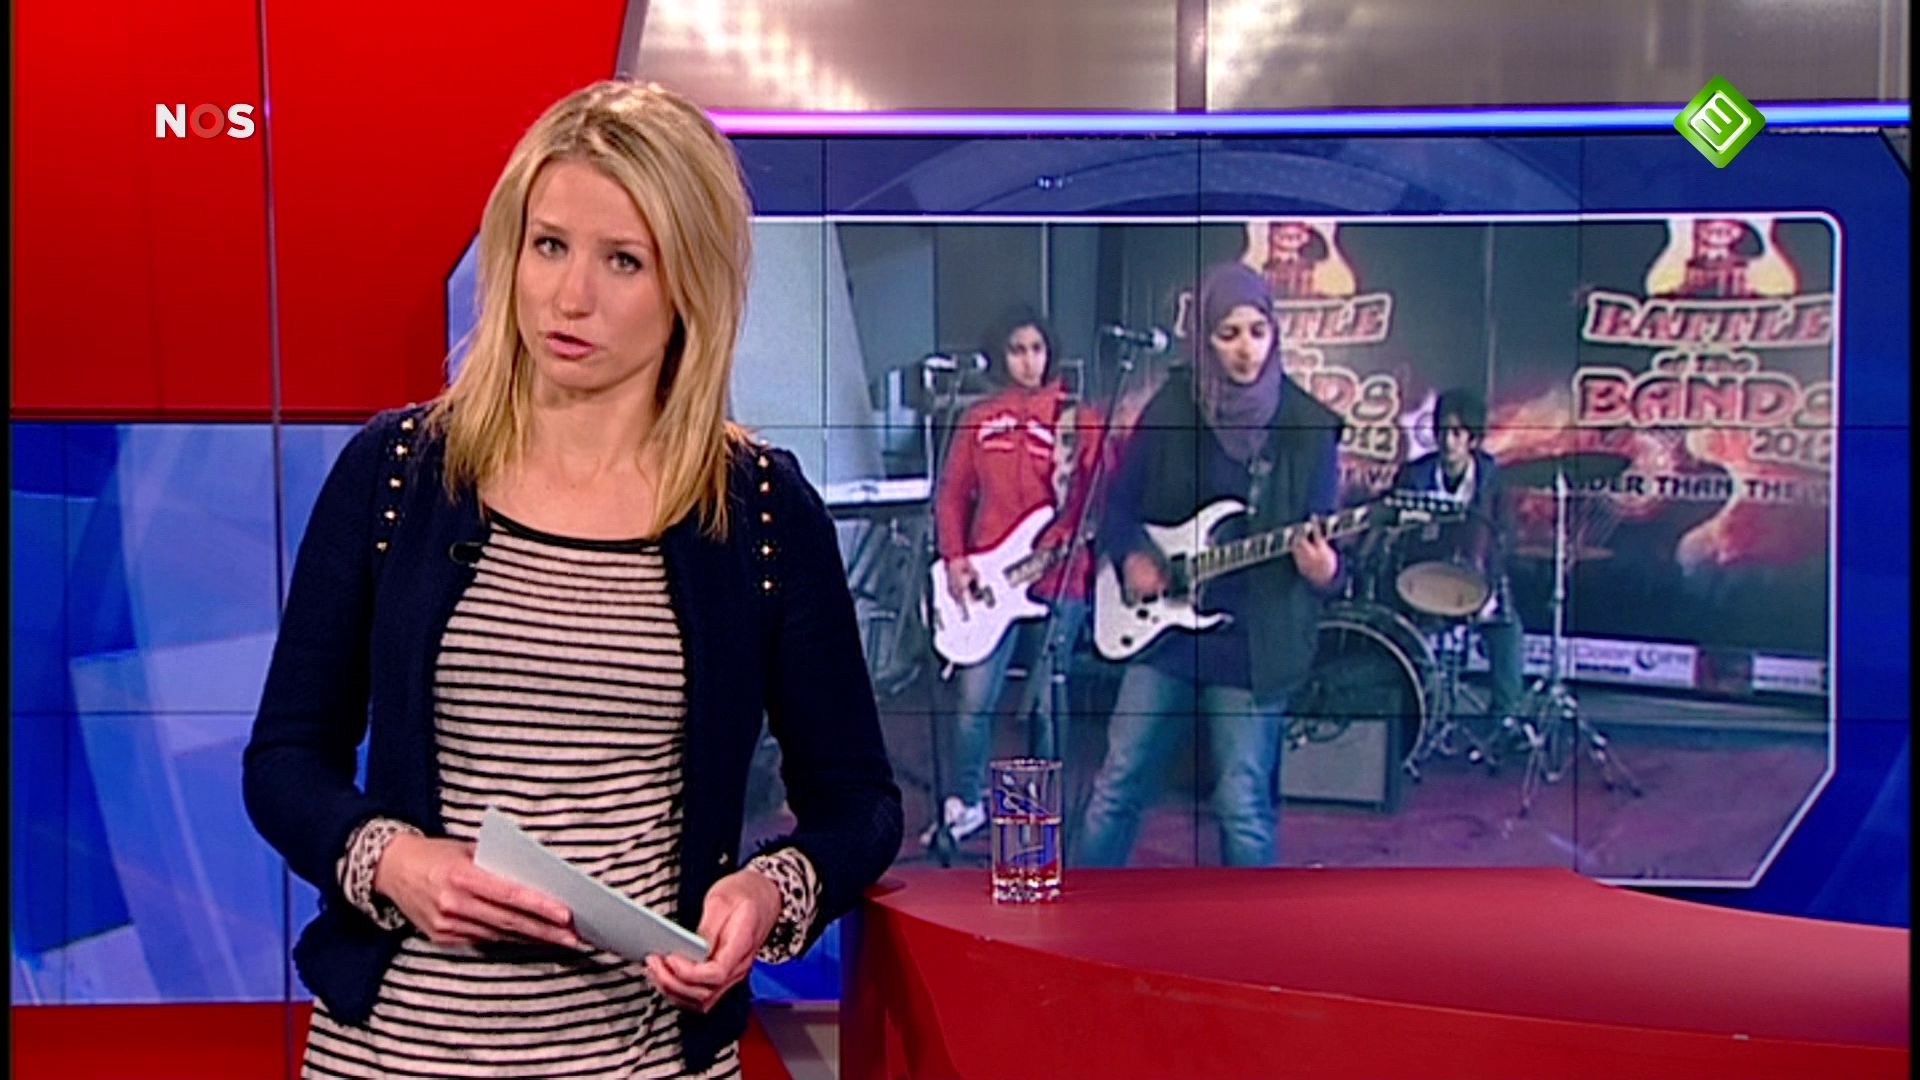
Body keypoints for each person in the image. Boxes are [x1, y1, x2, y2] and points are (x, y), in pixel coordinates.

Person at [243, 80, 902, 1079]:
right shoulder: (396, 475)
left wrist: (769, 892)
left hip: (642, 1056)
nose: (569, 297)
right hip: (398, 1050)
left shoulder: (760, 513)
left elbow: (860, 804)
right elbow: (285, 760)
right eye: (548, 245)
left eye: (621, 260)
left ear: (689, 283)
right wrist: (393, 860)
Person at [1074, 262, 1342, 868]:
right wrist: (1133, 555)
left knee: (1242, 805)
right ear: (1205, 338)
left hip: (1252, 642)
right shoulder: (1174, 403)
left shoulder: (1308, 427)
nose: (1245, 349)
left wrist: (1324, 570)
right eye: (1228, 334)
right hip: (1164, 633)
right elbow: (1117, 505)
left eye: (1257, 332)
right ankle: (1081, 910)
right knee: (1117, 784)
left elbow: (1331, 562)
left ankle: (1243, 928)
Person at [926, 308, 1104, 846]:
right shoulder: (979, 418)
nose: (1029, 361)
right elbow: (951, 494)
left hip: (1058, 578)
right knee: (973, 700)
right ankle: (966, 803)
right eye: (1017, 350)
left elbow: (1098, 498)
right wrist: (955, 557)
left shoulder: (1078, 420)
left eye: (1037, 349)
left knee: (1047, 704)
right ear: (1002, 357)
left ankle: (1038, 818)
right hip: (988, 578)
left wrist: (1062, 540)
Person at [1394, 389, 1526, 737]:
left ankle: (1504, 719)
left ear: (1473, 439)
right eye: (1443, 431)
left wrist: (1487, 583)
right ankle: (1420, 717)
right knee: (1406, 634)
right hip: (1424, 581)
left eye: (1457, 433)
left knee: (1508, 631)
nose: (1448, 441)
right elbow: (1395, 537)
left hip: (1476, 580)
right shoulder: (1413, 475)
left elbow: (1505, 537)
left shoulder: (1492, 479)